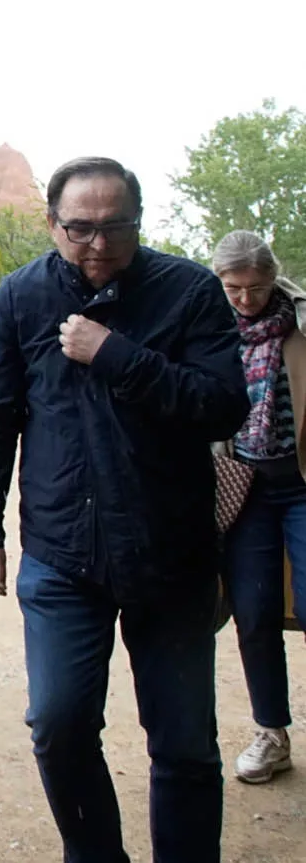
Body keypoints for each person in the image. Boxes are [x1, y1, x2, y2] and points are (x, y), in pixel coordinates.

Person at [0, 157, 249, 863]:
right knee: (58, 724)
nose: (96, 244)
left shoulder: (188, 292)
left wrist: (117, 355)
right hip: (63, 554)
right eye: (79, 228)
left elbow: (224, 405)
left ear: (138, 221)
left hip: (171, 553)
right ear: (52, 224)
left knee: (183, 741)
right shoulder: (20, 297)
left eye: (114, 227)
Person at [211, 229, 306, 783]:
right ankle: (272, 733)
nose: (246, 299)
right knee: (254, 613)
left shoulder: (300, 321)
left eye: (257, 286)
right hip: (243, 487)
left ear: (274, 278)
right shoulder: (210, 329)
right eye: (234, 288)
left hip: (300, 482)